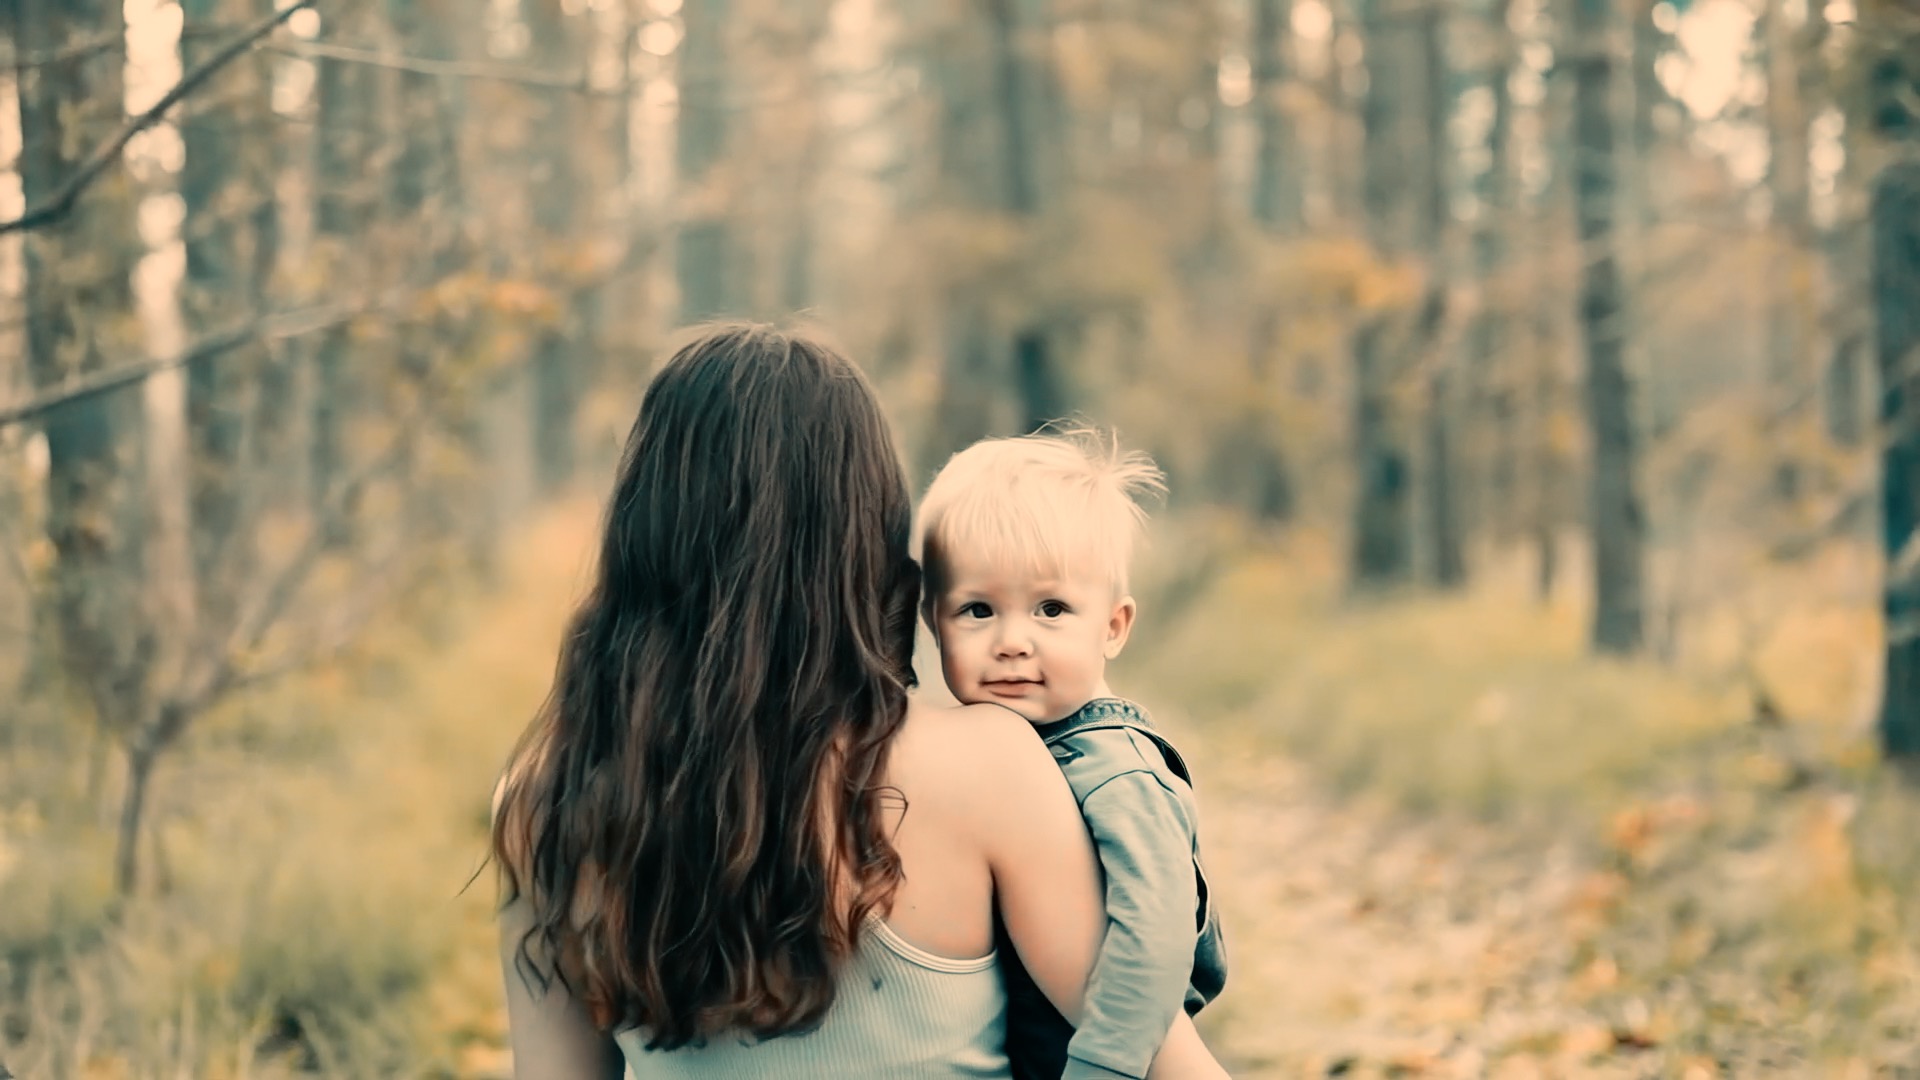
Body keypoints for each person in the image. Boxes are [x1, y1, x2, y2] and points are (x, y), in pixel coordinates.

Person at [488, 323, 1227, 1080]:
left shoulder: (548, 804)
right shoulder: (987, 767)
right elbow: (1167, 1062)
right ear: (867, 534)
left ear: (644, 537)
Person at [914, 428, 1229, 1080]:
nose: (1012, 641)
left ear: (1113, 626)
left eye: (1051, 608)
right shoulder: (978, 758)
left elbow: (1154, 940)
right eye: (977, 609)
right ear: (931, 621)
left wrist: (1103, 1068)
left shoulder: (1118, 771)